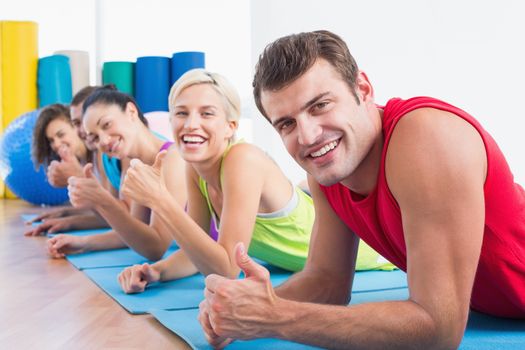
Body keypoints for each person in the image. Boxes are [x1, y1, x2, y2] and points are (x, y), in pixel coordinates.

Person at [198, 30, 525, 349]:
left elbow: (439, 328)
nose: (309, 136)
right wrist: (239, 308)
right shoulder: (329, 170)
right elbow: (326, 282)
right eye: (287, 123)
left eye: (321, 105)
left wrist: (274, 316)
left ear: (363, 88)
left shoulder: (429, 139)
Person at [47, 86, 187, 260]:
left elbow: (156, 247)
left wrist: (102, 200)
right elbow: (135, 230)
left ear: (131, 111)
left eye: (106, 124)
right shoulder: (138, 168)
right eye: (95, 138)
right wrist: (84, 243)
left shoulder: (172, 159)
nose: (104, 141)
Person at [25, 87, 117, 236]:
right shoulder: (86, 158)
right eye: (51, 140)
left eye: (61, 134)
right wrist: (65, 213)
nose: (55, 144)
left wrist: (69, 222)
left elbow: (114, 213)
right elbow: (107, 209)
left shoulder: (102, 152)